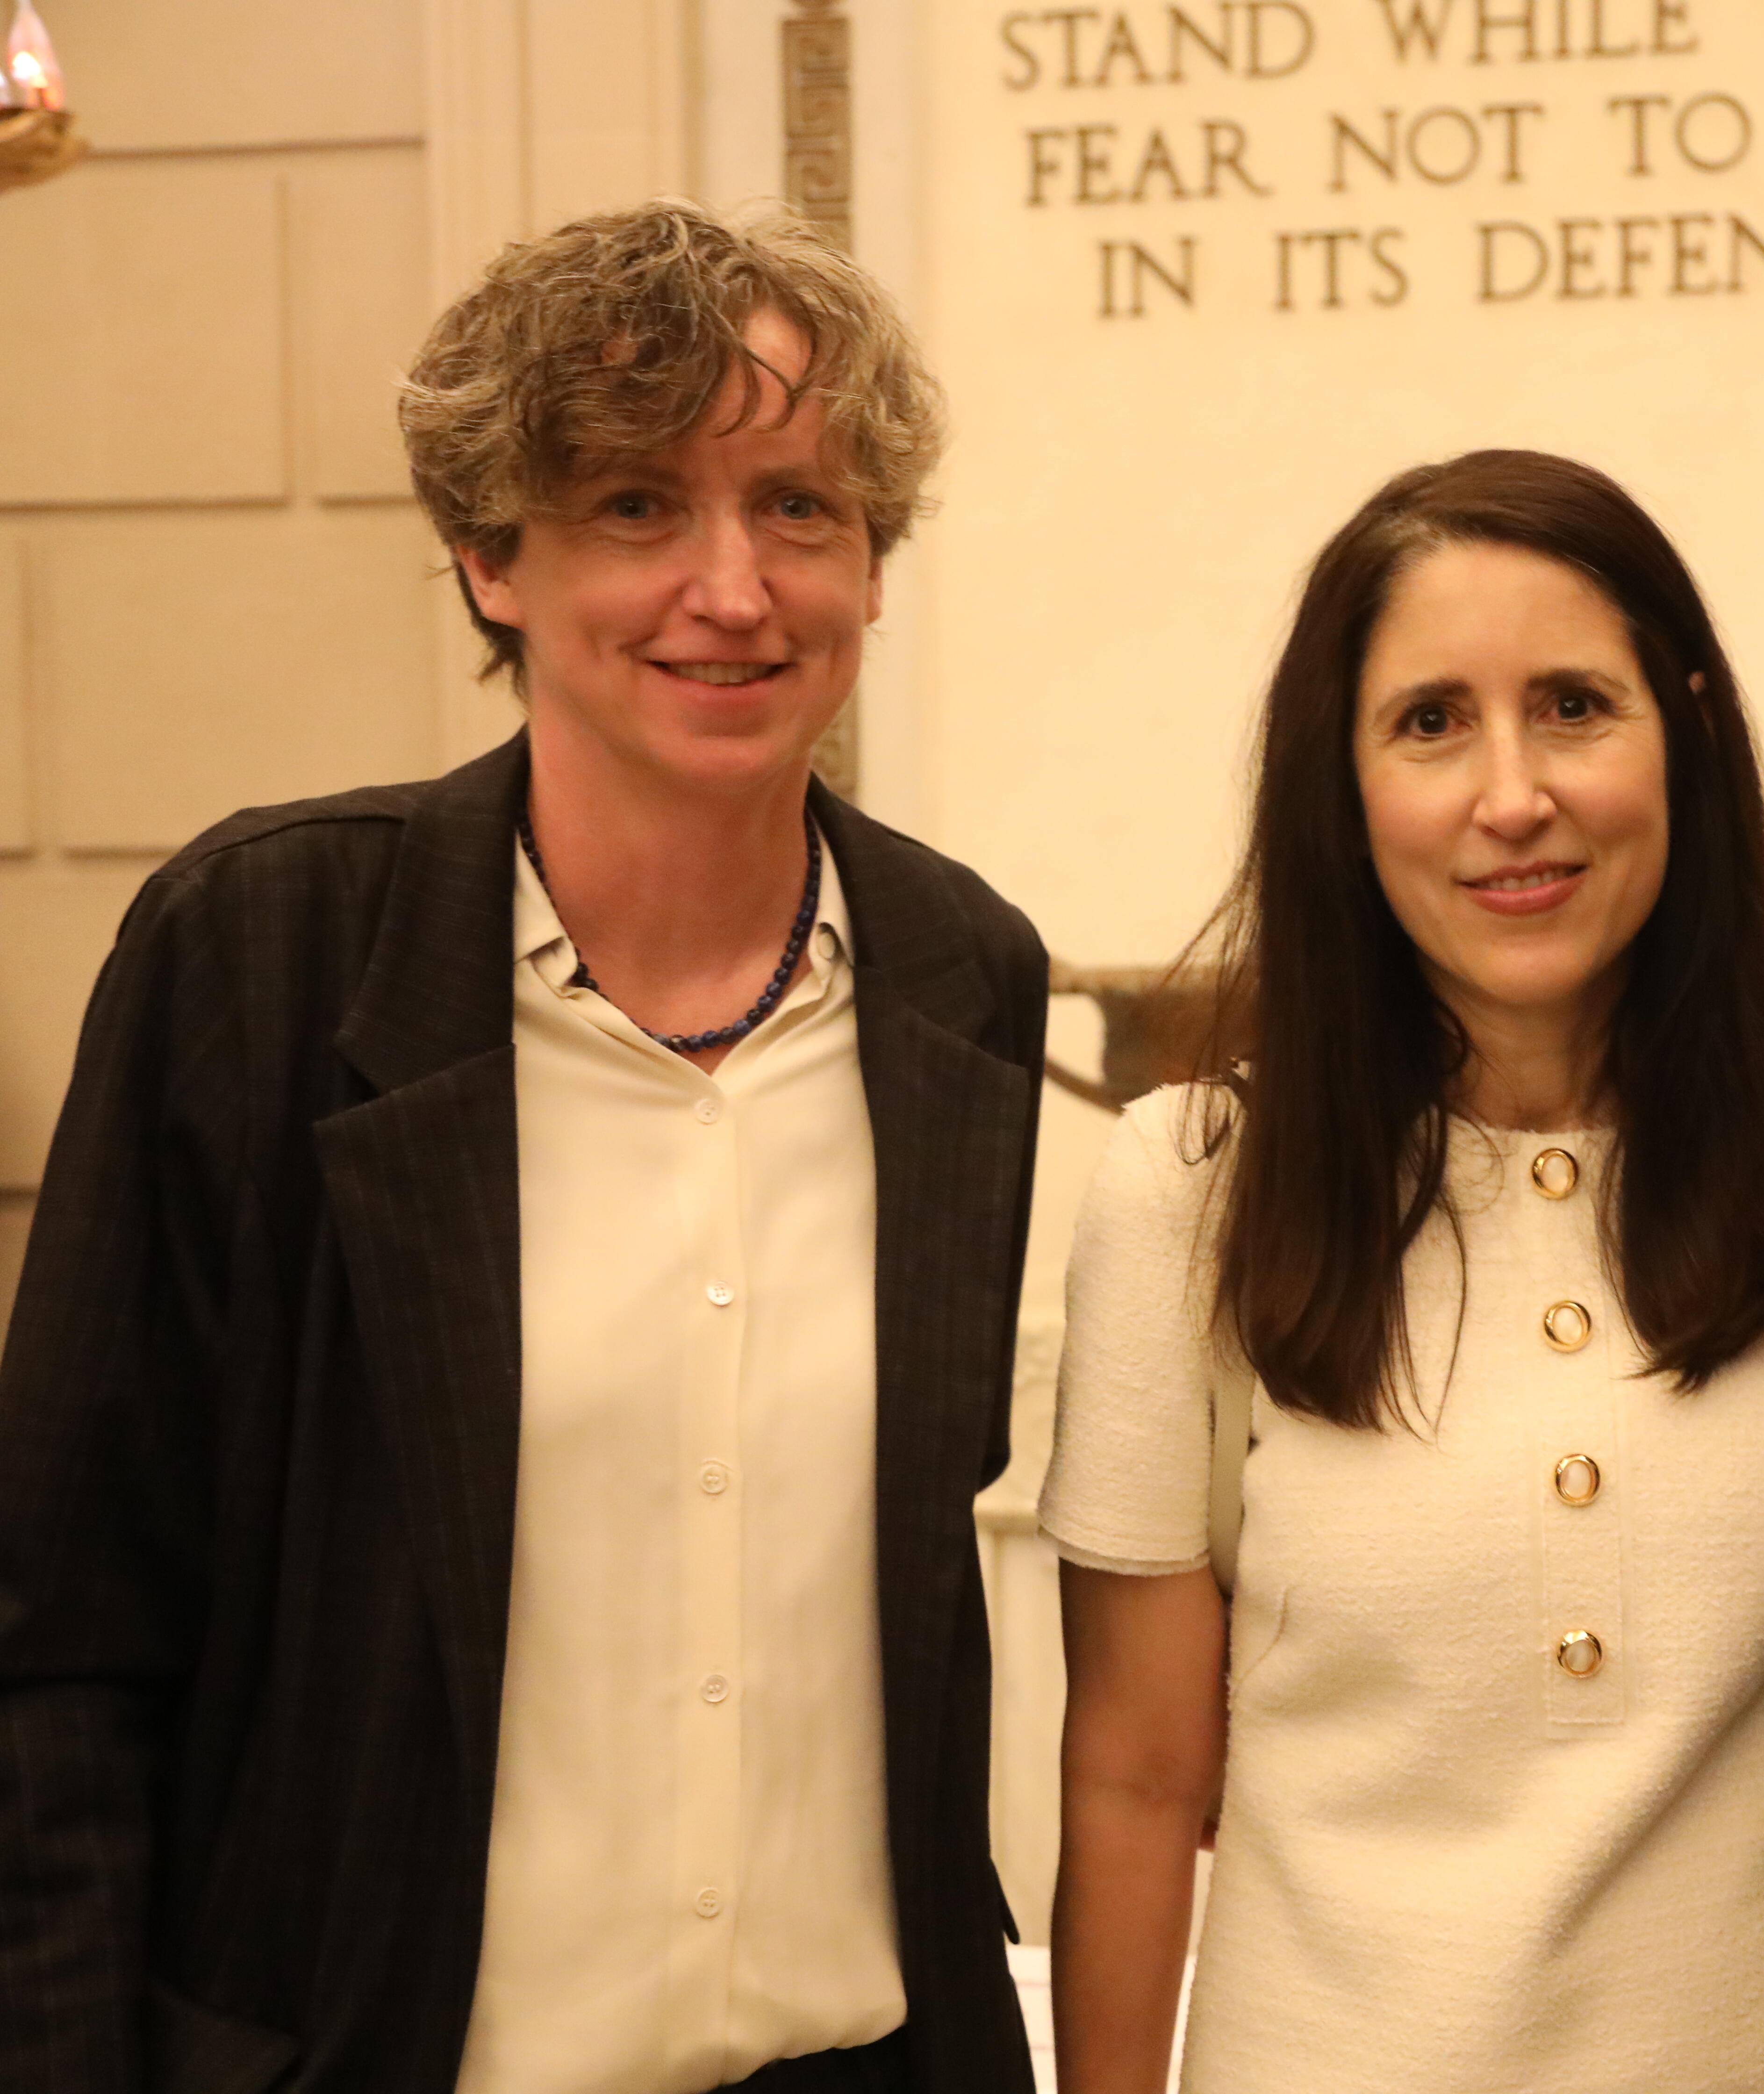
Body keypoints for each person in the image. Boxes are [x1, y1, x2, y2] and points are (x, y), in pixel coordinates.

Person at [0, 201, 1047, 2091]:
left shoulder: (962, 977)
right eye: (636, 505)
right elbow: (59, 1654)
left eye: (798, 507)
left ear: (876, 561)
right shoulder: (262, 955)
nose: (731, 589)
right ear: (491, 555)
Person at [1041, 450, 1764, 2094]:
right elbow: (1139, 1781)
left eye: (1575, 706)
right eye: (1431, 720)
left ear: (1686, 739)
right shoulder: (1188, 1188)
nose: (1511, 795)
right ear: (1344, 786)